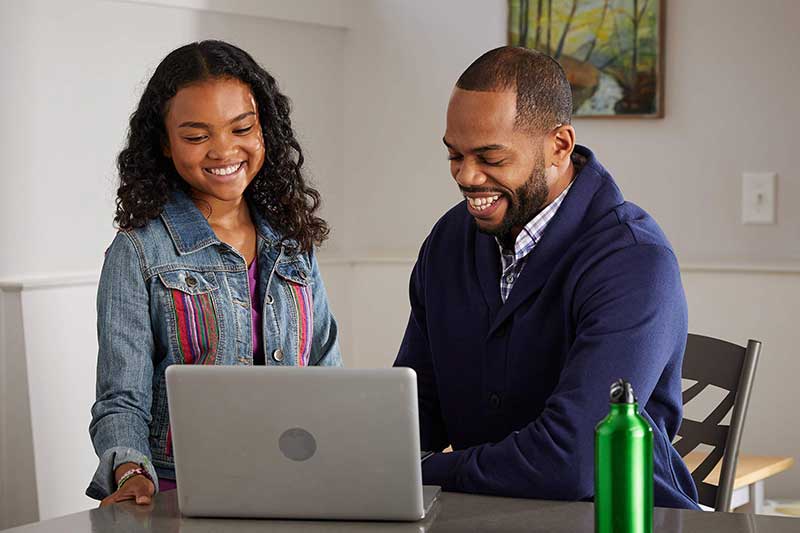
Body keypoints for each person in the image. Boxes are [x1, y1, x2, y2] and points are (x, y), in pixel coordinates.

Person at [394, 46, 699, 509]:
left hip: (619, 518)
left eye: (491, 158)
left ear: (559, 145)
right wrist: (369, 459)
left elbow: (573, 462)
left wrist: (417, 471)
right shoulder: (449, 241)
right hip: (488, 512)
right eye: (454, 155)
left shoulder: (634, 262)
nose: (467, 177)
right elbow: (414, 412)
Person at [86, 40, 341, 507]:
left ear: (265, 128)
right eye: (197, 136)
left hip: (295, 484)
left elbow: (326, 368)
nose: (224, 149)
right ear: (164, 143)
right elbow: (121, 399)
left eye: (242, 127)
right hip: (184, 491)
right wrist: (129, 473)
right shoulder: (138, 252)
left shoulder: (291, 240)